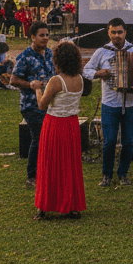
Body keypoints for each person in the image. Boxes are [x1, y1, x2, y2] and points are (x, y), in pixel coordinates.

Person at [82, 17, 133, 188]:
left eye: (120, 32)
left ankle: (123, 173)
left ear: (125, 32)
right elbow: (86, 70)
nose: (117, 36)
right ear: (108, 33)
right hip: (110, 103)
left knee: (128, 142)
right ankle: (106, 174)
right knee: (109, 141)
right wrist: (99, 73)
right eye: (113, 32)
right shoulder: (101, 52)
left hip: (131, 103)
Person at [33, 41, 87, 219]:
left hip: (55, 125)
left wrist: (37, 89)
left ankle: (44, 206)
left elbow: (42, 105)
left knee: (49, 164)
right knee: (69, 165)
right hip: (71, 125)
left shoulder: (56, 81)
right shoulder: (79, 79)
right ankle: (71, 205)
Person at [11, 22, 55, 189]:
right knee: (38, 138)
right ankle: (32, 176)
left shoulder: (50, 53)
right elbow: (13, 80)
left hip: (50, 104)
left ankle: (46, 172)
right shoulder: (25, 56)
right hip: (31, 105)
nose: (45, 38)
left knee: (48, 139)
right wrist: (30, 85)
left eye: (47, 35)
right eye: (41, 35)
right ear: (32, 37)